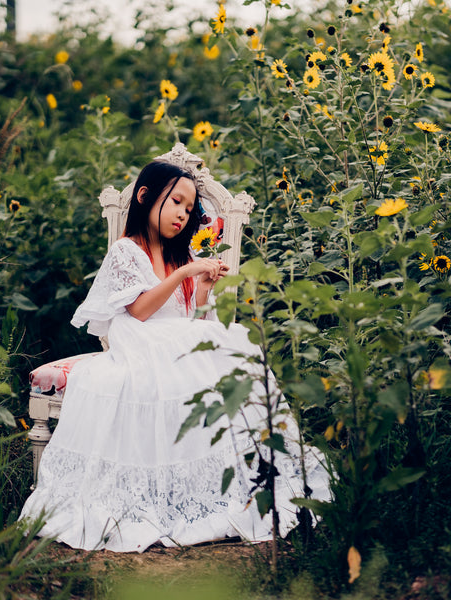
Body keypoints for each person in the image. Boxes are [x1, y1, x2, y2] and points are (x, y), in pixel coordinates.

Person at [19, 161, 329, 552]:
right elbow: (141, 311)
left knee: (234, 358)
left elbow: (191, 317)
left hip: (176, 339)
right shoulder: (126, 251)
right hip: (141, 340)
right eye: (176, 202)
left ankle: (241, 484)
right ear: (147, 197)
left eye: (189, 208)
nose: (183, 214)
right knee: (172, 372)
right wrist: (184, 275)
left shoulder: (178, 257)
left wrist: (200, 287)